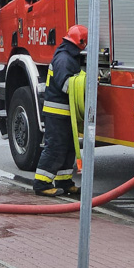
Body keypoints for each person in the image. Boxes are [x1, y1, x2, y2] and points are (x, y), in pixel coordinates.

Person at [33, 25, 87, 197]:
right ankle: (41, 184)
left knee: (68, 148)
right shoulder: (64, 59)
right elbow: (66, 86)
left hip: (65, 113)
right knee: (55, 147)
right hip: (57, 113)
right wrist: (86, 83)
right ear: (81, 42)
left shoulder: (68, 55)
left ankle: (64, 181)